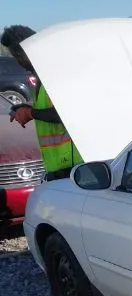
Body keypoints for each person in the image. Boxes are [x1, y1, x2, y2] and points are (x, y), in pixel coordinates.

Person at [1, 25, 83, 181]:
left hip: (73, 166)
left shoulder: (53, 75)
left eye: (17, 55)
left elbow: (66, 113)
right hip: (57, 166)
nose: (17, 62)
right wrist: (29, 109)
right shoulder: (40, 76)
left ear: (27, 50)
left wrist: (30, 113)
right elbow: (50, 109)